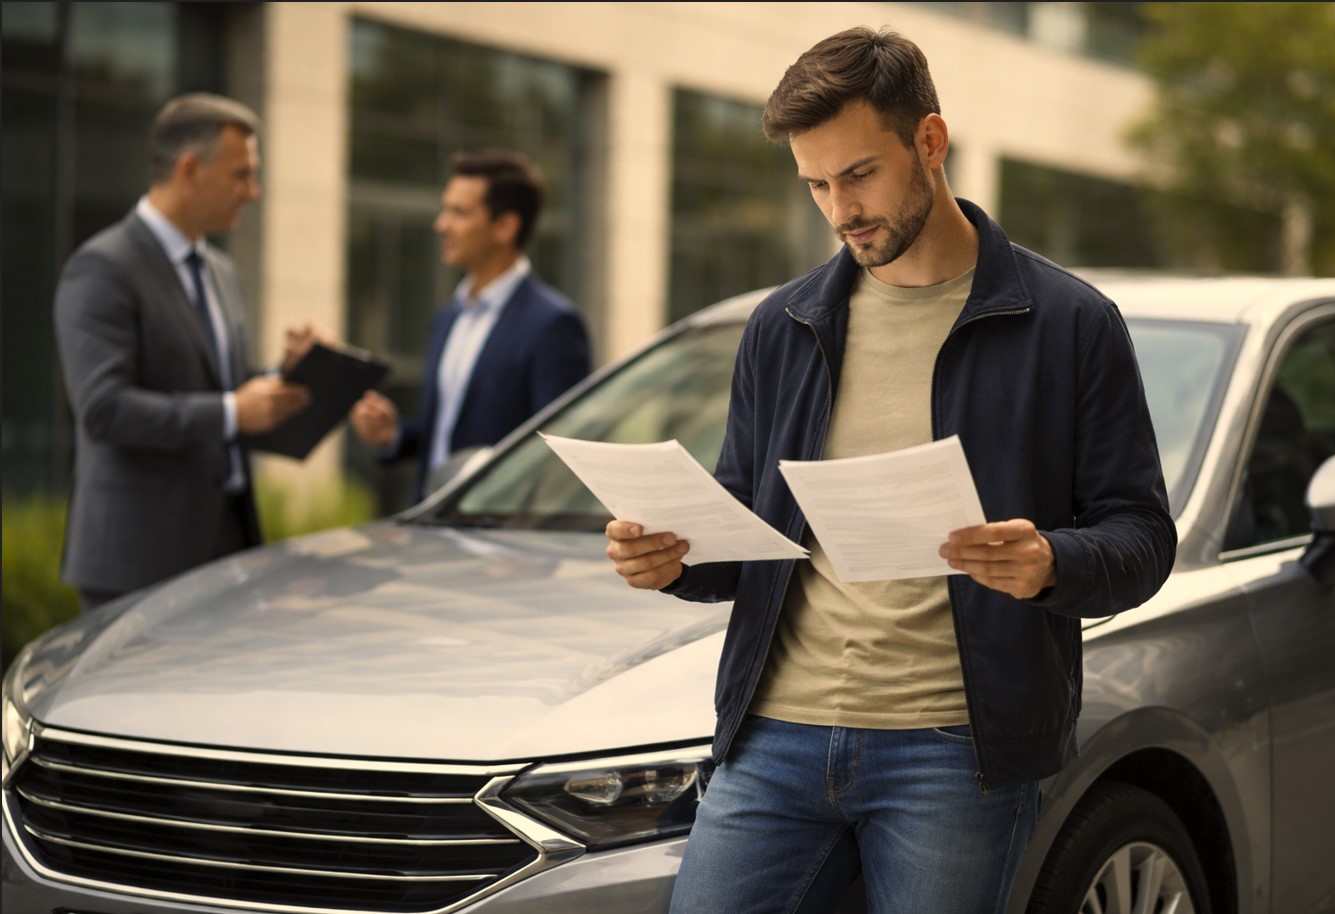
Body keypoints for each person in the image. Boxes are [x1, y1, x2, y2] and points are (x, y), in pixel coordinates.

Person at [604, 26, 1176, 914]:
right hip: (771, 739)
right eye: (816, 185)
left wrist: (1051, 563)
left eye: (859, 175)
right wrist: (674, 560)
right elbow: (748, 534)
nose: (839, 210)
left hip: (955, 750)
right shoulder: (782, 325)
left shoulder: (1070, 324)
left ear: (930, 142)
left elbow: (1142, 539)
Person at [54, 92, 317, 612]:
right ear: (191, 170)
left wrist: (285, 375)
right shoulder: (102, 268)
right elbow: (103, 408)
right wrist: (231, 411)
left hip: (227, 547)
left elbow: (220, 387)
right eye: (241, 175)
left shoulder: (219, 269)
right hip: (139, 562)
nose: (254, 192)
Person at [349, 149, 591, 502]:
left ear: (505, 226)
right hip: (430, 523)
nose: (441, 225)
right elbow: (447, 436)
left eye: (458, 213)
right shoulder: (448, 318)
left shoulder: (554, 325)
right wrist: (392, 435)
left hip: (500, 543)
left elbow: (557, 456)